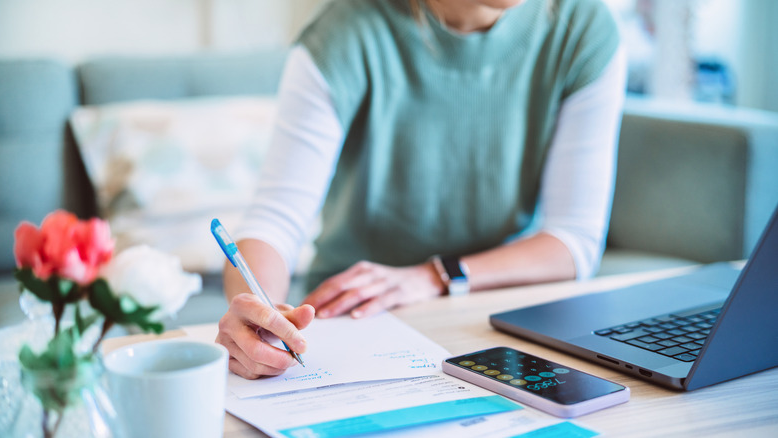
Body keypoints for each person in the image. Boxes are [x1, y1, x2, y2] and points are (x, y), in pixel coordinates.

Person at [216, 0, 627, 379]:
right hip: (353, 317)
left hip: (506, 313)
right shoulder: (345, 31)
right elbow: (276, 218)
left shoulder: (582, 27)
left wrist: (434, 276)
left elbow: (574, 240)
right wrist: (257, 315)